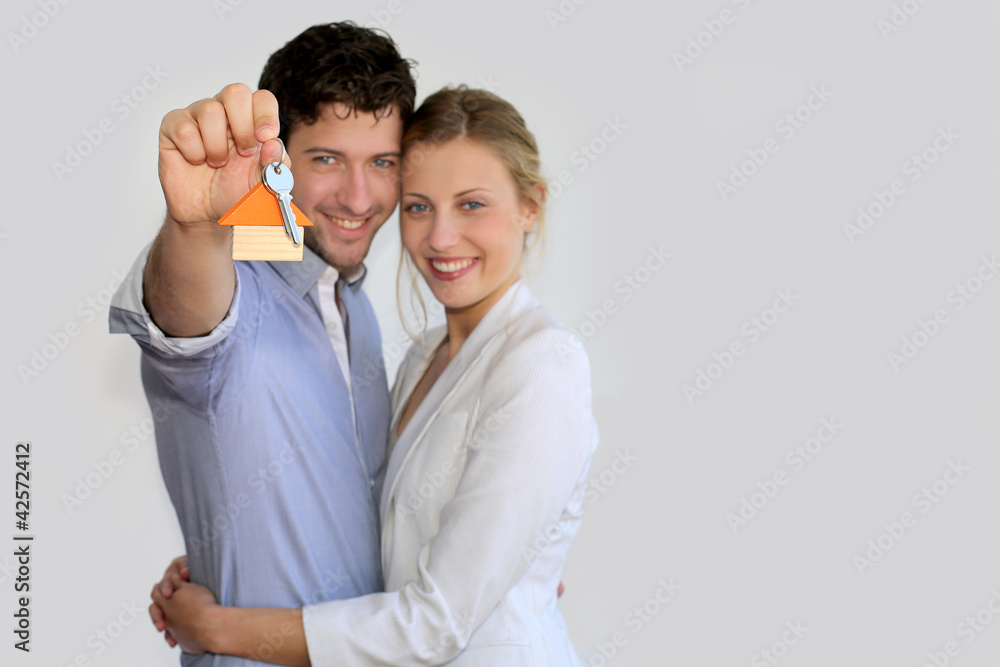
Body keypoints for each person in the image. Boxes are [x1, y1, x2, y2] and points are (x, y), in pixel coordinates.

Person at [151, 86, 599, 665]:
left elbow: (434, 623)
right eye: (418, 206)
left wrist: (219, 628)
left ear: (530, 206)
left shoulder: (542, 363)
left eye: (471, 205)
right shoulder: (424, 358)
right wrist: (238, 560)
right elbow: (388, 534)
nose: (440, 238)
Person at [109, 22, 416, 664]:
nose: (359, 197)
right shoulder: (232, 281)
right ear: (277, 162)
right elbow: (186, 315)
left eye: (382, 162)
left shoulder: (353, 306)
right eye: (327, 159)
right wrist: (192, 226)